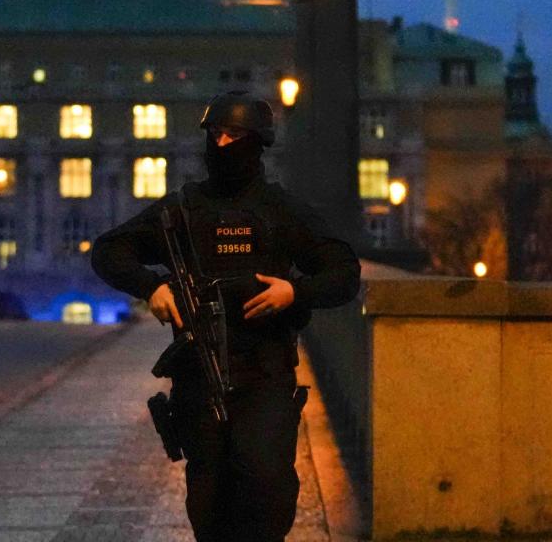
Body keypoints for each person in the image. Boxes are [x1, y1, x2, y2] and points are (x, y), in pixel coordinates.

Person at [90, 91, 361, 542]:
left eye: (233, 134)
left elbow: (344, 273)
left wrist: (294, 291)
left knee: (265, 482)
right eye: (214, 133)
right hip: (199, 376)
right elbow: (109, 251)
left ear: (257, 142)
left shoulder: (281, 211)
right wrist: (152, 286)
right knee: (208, 500)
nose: (221, 144)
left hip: (265, 373)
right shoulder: (183, 211)